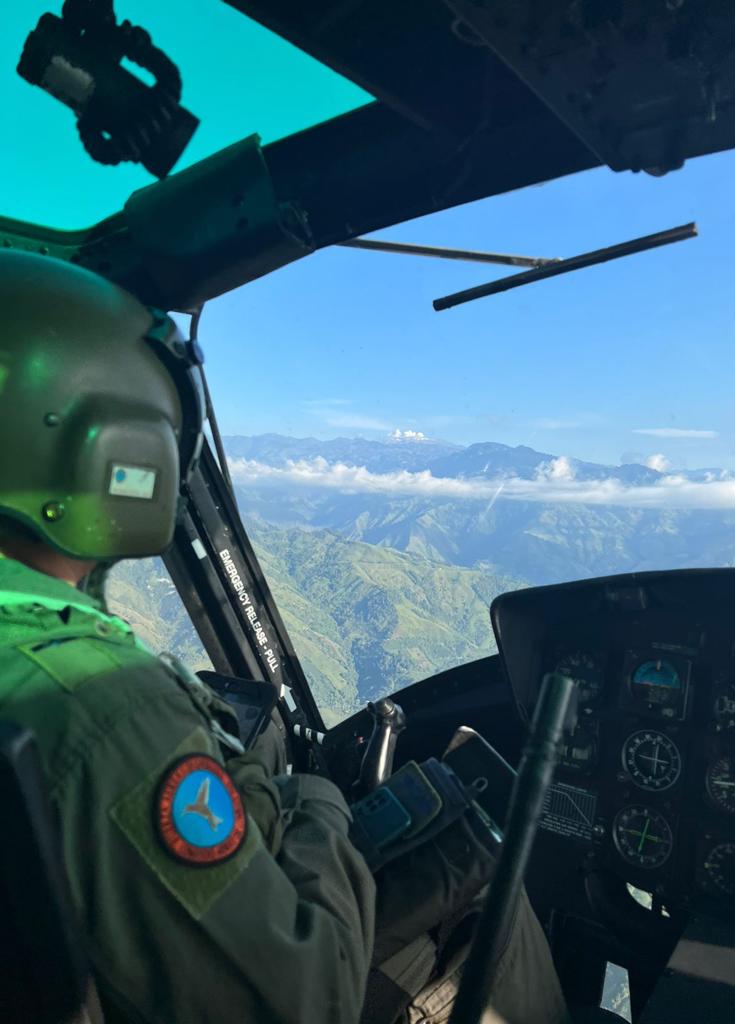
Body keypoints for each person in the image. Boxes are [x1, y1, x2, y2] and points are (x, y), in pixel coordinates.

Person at [0, 249, 569, 1023]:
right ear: (117, 453)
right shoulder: (103, 707)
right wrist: (316, 801)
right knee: (480, 915)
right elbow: (304, 1002)